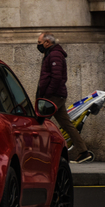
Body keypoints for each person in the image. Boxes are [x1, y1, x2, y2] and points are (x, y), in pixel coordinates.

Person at [36, 33, 93, 163]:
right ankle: (83, 152)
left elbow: (56, 78)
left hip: (54, 96)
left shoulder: (55, 55)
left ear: (47, 43)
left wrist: (47, 94)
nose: (38, 45)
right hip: (56, 95)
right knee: (66, 125)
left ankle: (39, 153)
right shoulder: (51, 54)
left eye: (39, 42)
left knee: (39, 123)